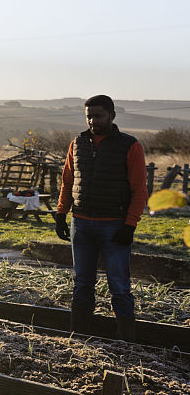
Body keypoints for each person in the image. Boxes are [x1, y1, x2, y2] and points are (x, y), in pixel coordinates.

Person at [53, 95, 147, 341]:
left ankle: (126, 341)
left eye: (98, 116)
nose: (93, 121)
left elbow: (140, 190)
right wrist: (61, 213)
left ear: (112, 116)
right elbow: (68, 180)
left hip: (114, 226)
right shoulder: (77, 143)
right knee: (82, 282)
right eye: (89, 116)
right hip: (81, 224)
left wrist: (130, 225)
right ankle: (80, 335)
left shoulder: (130, 146)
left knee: (119, 286)